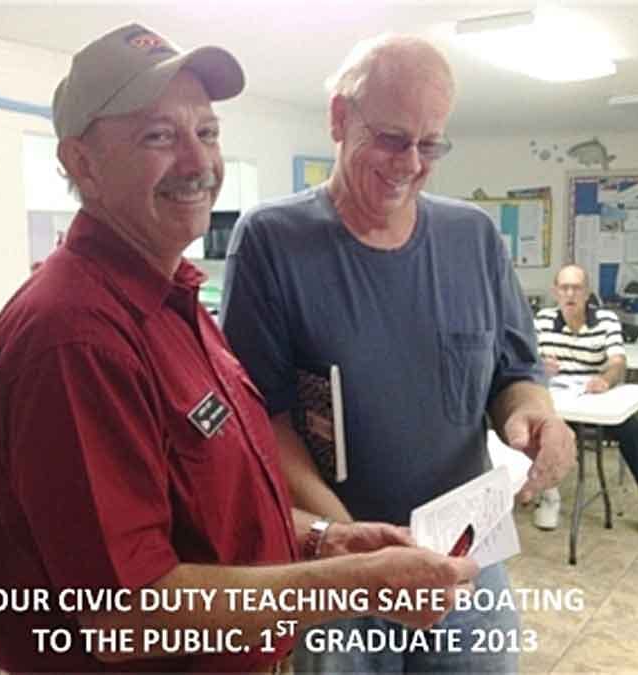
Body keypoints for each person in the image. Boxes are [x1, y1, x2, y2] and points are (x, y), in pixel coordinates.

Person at [0, 24, 478, 674]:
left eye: (206, 132)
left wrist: (329, 539)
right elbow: (126, 613)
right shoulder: (75, 339)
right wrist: (355, 582)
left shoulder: (174, 301)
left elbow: (215, 509)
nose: (197, 162)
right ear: (82, 163)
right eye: (159, 135)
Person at [221, 33, 576, 674]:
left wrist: (535, 418)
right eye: (390, 137)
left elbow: (514, 372)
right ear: (338, 118)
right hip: (340, 571)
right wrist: (362, 556)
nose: (410, 162)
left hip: (467, 561)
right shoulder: (273, 242)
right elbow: (264, 425)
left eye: (430, 143)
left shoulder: (474, 238)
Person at [533, 264, 638, 541]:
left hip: (596, 400)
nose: (570, 293)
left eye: (577, 287)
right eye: (564, 287)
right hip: (560, 401)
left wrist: (606, 380)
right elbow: (525, 361)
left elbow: (618, 362)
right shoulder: (543, 320)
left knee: (634, 431)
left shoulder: (606, 320)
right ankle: (549, 496)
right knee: (539, 427)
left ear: (587, 292)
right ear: (555, 291)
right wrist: (538, 366)